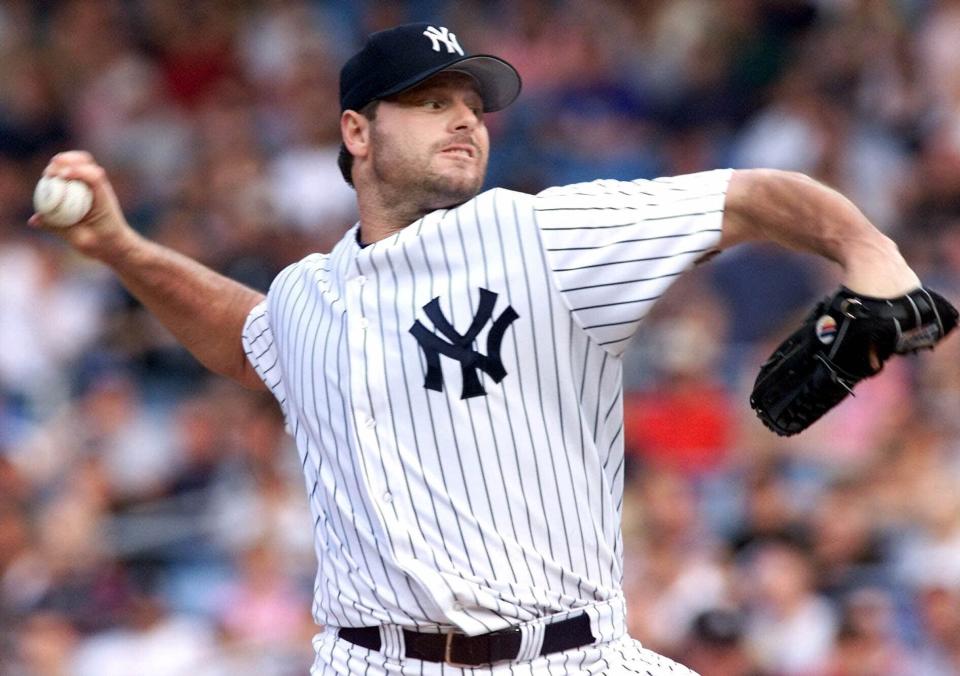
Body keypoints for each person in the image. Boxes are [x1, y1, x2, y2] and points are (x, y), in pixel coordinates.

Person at [31, 21, 936, 676]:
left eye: (473, 104)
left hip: (569, 656)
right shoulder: (308, 295)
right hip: (371, 664)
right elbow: (246, 338)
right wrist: (120, 247)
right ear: (358, 132)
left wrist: (874, 256)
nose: (465, 120)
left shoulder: (540, 234)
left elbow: (748, 196)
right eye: (430, 103)